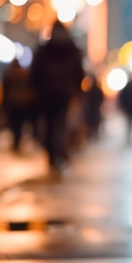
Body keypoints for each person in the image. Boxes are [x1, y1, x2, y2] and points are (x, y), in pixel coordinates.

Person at [30, 20, 84, 168]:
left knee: (48, 124)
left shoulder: (45, 49)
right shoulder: (72, 49)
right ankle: (58, 152)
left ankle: (52, 153)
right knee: (60, 124)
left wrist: (37, 89)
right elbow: (79, 73)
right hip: (64, 93)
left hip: (46, 94)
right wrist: (77, 91)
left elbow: (35, 72)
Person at [1, 58, 36, 151]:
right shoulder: (24, 74)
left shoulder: (9, 73)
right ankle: (18, 140)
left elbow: (5, 88)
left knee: (14, 123)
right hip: (22, 103)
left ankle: (15, 140)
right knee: (19, 123)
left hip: (13, 101)